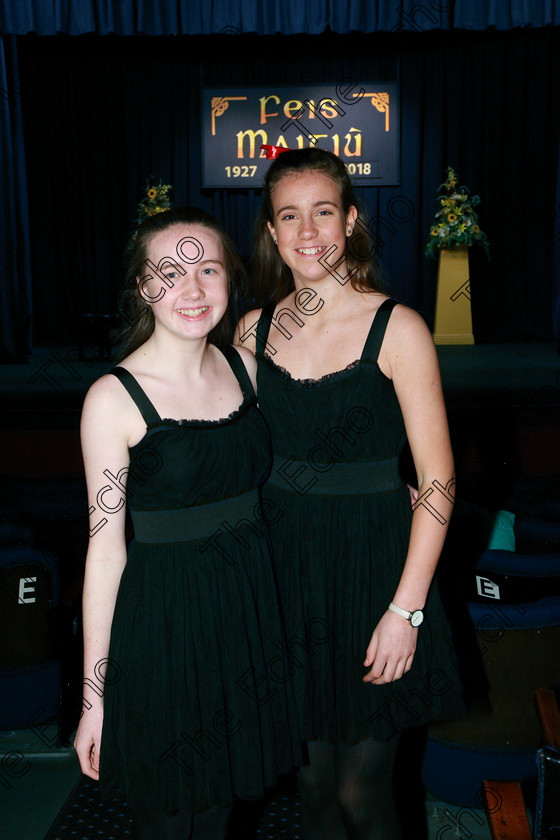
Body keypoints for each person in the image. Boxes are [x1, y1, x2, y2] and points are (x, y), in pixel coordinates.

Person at [235, 148, 465, 840]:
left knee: (363, 793)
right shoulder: (253, 331)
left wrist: (407, 610)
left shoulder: (399, 328)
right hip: (285, 579)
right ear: (273, 233)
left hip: (374, 576)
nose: (308, 232)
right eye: (290, 216)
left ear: (353, 220)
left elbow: (437, 481)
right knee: (310, 791)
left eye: (324, 212)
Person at [74, 207, 301, 840]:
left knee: (223, 808)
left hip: (244, 618)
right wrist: (95, 697)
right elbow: (105, 553)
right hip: (162, 628)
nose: (193, 290)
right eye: (170, 274)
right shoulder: (113, 399)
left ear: (230, 279)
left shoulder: (245, 370)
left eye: (208, 270)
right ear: (143, 287)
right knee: (169, 818)